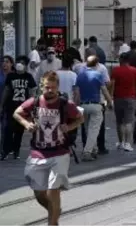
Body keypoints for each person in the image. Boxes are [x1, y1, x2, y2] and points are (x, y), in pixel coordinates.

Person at [13, 71, 84, 226]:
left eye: (53, 87)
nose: (50, 90)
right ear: (42, 87)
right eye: (47, 87)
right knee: (39, 193)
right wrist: (26, 124)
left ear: (57, 87)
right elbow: (17, 113)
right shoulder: (35, 102)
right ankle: (55, 211)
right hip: (38, 152)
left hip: (60, 152)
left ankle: (52, 222)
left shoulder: (66, 104)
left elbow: (80, 118)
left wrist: (69, 126)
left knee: (53, 189)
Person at [75, 55, 113, 161]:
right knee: (94, 130)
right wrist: (110, 102)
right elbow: (104, 91)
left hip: (83, 105)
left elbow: (77, 93)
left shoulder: (80, 75)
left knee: (87, 129)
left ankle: (94, 149)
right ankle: (87, 152)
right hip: (96, 105)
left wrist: (76, 105)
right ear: (97, 64)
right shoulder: (98, 75)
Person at [0, 57, 37, 160]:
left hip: (23, 108)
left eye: (22, 63)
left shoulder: (28, 76)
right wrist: (2, 105)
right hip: (11, 107)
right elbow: (7, 91)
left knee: (19, 131)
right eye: (18, 62)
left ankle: (16, 150)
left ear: (25, 65)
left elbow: (32, 92)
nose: (19, 64)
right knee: (8, 129)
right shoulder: (11, 76)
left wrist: (32, 107)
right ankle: (5, 151)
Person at [110, 52, 136, 152]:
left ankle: (121, 142)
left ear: (120, 60)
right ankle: (128, 144)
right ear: (128, 60)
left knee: (119, 122)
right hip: (131, 98)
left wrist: (110, 99)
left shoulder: (115, 70)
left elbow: (111, 85)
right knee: (129, 122)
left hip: (118, 98)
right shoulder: (135, 70)